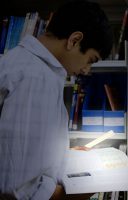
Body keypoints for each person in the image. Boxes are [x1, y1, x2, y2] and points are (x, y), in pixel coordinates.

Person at [0, 0, 113, 199]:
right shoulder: (35, 77)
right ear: (74, 40)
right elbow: (17, 189)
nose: (87, 70)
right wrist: (71, 194)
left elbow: (21, 152)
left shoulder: (31, 67)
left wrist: (60, 154)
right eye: (91, 60)